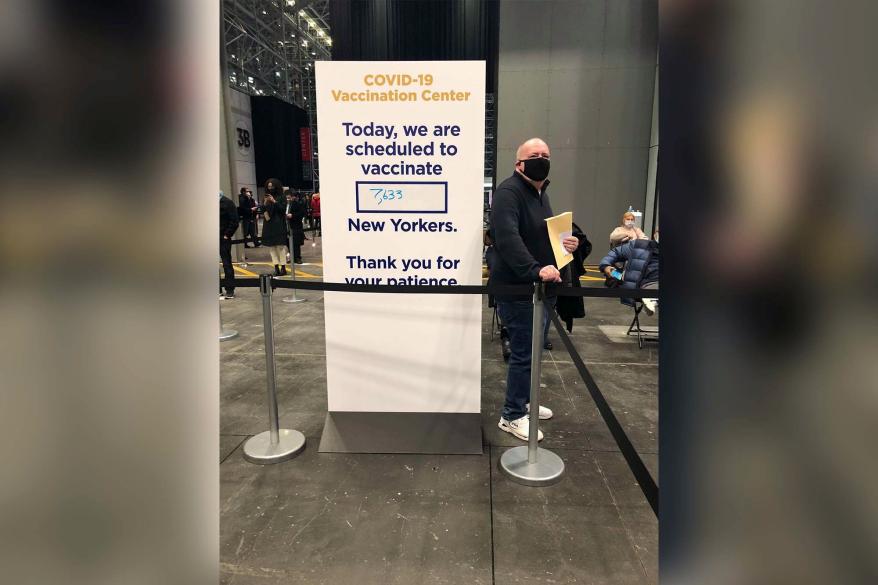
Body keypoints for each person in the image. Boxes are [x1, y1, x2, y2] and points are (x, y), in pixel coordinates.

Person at [486, 138, 579, 442]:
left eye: (545, 155)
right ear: (519, 164)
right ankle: (512, 415)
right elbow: (508, 238)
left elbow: (540, 235)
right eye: (534, 155)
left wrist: (566, 243)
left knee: (534, 352)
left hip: (540, 290)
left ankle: (525, 403)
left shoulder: (540, 195)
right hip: (519, 289)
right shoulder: (508, 193)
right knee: (524, 353)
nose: (541, 159)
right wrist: (535, 269)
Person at [598, 237, 659, 315]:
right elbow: (615, 252)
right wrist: (605, 265)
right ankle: (651, 297)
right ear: (655, 234)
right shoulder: (639, 245)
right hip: (643, 283)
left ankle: (652, 298)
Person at [260, 178, 288, 276]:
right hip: (268, 225)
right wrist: (264, 204)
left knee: (280, 247)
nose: (270, 188)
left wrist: (274, 201)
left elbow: (282, 210)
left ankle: (283, 267)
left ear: (276, 186)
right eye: (268, 186)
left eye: (272, 186)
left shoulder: (282, 197)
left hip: (279, 224)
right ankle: (276, 267)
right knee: (272, 248)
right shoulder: (265, 197)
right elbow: (262, 210)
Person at [219, 190, 239, 299]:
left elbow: (234, 221)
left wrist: (227, 234)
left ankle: (230, 289)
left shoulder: (227, 203)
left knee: (226, 263)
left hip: (223, 237)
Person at [285, 191, 306, 264]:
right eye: (287, 198)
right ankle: (291, 257)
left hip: (295, 226)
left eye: (289, 197)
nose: (288, 199)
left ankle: (297, 257)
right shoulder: (285, 205)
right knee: (288, 243)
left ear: (293, 197)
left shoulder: (297, 204)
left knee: (296, 243)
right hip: (286, 226)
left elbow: (302, 213)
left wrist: (292, 215)